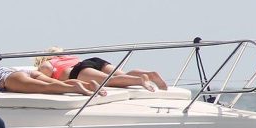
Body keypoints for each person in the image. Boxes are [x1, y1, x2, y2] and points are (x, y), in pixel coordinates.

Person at [0, 41, 95, 96]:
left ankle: (76, 88)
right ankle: (88, 85)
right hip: (23, 74)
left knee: (46, 89)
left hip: (10, 80)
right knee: (57, 83)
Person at [34, 47, 168, 91]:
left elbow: (43, 77)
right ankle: (149, 74)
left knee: (109, 81)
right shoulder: (68, 57)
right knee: (123, 75)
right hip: (94, 61)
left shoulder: (48, 62)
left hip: (78, 71)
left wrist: (38, 74)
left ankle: (139, 80)